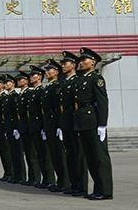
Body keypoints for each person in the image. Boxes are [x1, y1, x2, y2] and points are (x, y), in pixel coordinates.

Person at [75, 47, 113, 200]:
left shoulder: (96, 78)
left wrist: (102, 124)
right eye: (81, 59)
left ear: (93, 62)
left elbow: (102, 102)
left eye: (85, 59)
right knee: (90, 157)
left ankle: (105, 191)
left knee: (99, 157)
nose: (82, 62)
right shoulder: (83, 78)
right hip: (84, 122)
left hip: (94, 122)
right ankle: (98, 189)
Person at [59, 51, 89, 197]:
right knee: (70, 155)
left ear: (74, 65)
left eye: (66, 63)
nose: (63, 66)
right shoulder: (64, 82)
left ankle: (82, 186)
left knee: (79, 155)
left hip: (75, 122)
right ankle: (74, 184)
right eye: (63, 63)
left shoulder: (77, 81)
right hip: (66, 123)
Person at [42, 59, 70, 192]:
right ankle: (60, 181)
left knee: (60, 154)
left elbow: (59, 108)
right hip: (49, 124)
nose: (46, 72)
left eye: (49, 70)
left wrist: (60, 125)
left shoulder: (58, 85)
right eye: (46, 70)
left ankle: (65, 182)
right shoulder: (48, 87)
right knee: (54, 154)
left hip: (56, 123)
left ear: (57, 71)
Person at [27, 66, 55, 188]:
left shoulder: (41, 90)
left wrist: (44, 126)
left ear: (39, 77)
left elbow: (43, 110)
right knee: (40, 154)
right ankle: (45, 179)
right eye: (31, 76)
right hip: (34, 125)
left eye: (33, 76)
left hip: (41, 125)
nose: (31, 78)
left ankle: (50, 179)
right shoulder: (34, 92)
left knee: (45, 154)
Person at [15, 72, 40, 186]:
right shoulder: (21, 94)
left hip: (30, 125)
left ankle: (35, 177)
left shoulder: (29, 93)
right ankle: (31, 178)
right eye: (18, 80)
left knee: (33, 154)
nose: (19, 82)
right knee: (28, 154)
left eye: (21, 80)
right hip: (24, 127)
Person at [3, 74, 26, 183]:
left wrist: (16, 127)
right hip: (9, 128)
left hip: (14, 127)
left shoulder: (14, 96)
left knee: (18, 153)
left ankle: (21, 176)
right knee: (13, 153)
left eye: (8, 82)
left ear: (13, 84)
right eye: (5, 83)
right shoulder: (8, 97)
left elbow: (16, 113)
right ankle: (15, 176)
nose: (6, 84)